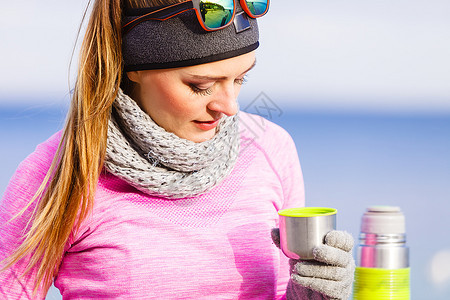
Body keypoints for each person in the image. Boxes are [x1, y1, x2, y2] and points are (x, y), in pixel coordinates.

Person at [0, 0, 355, 299]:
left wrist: (312, 293)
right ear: (134, 67)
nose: (229, 107)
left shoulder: (270, 147)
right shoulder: (58, 172)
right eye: (201, 86)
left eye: (240, 78)